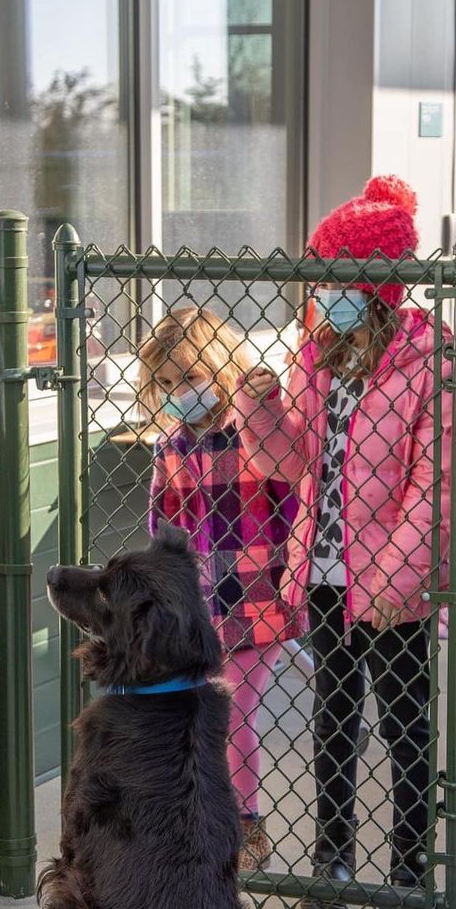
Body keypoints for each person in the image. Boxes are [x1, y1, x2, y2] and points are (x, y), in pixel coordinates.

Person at [236, 176, 452, 909]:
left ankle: (408, 871)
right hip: (324, 571)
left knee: (403, 720)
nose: (320, 296)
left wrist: (399, 576)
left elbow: (436, 481)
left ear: (374, 290)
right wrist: (260, 407)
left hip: (392, 582)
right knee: (334, 713)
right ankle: (333, 858)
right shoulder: (315, 358)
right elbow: (292, 463)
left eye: (333, 281)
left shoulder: (429, 361)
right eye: (316, 280)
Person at [141, 308, 301, 871]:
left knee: (233, 710)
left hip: (262, 601)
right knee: (195, 716)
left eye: (187, 379)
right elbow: (161, 531)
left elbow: (291, 502)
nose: (178, 394)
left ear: (218, 366)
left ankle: (246, 824)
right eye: (165, 385)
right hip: (200, 610)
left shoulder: (251, 427)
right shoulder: (169, 447)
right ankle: (200, 820)